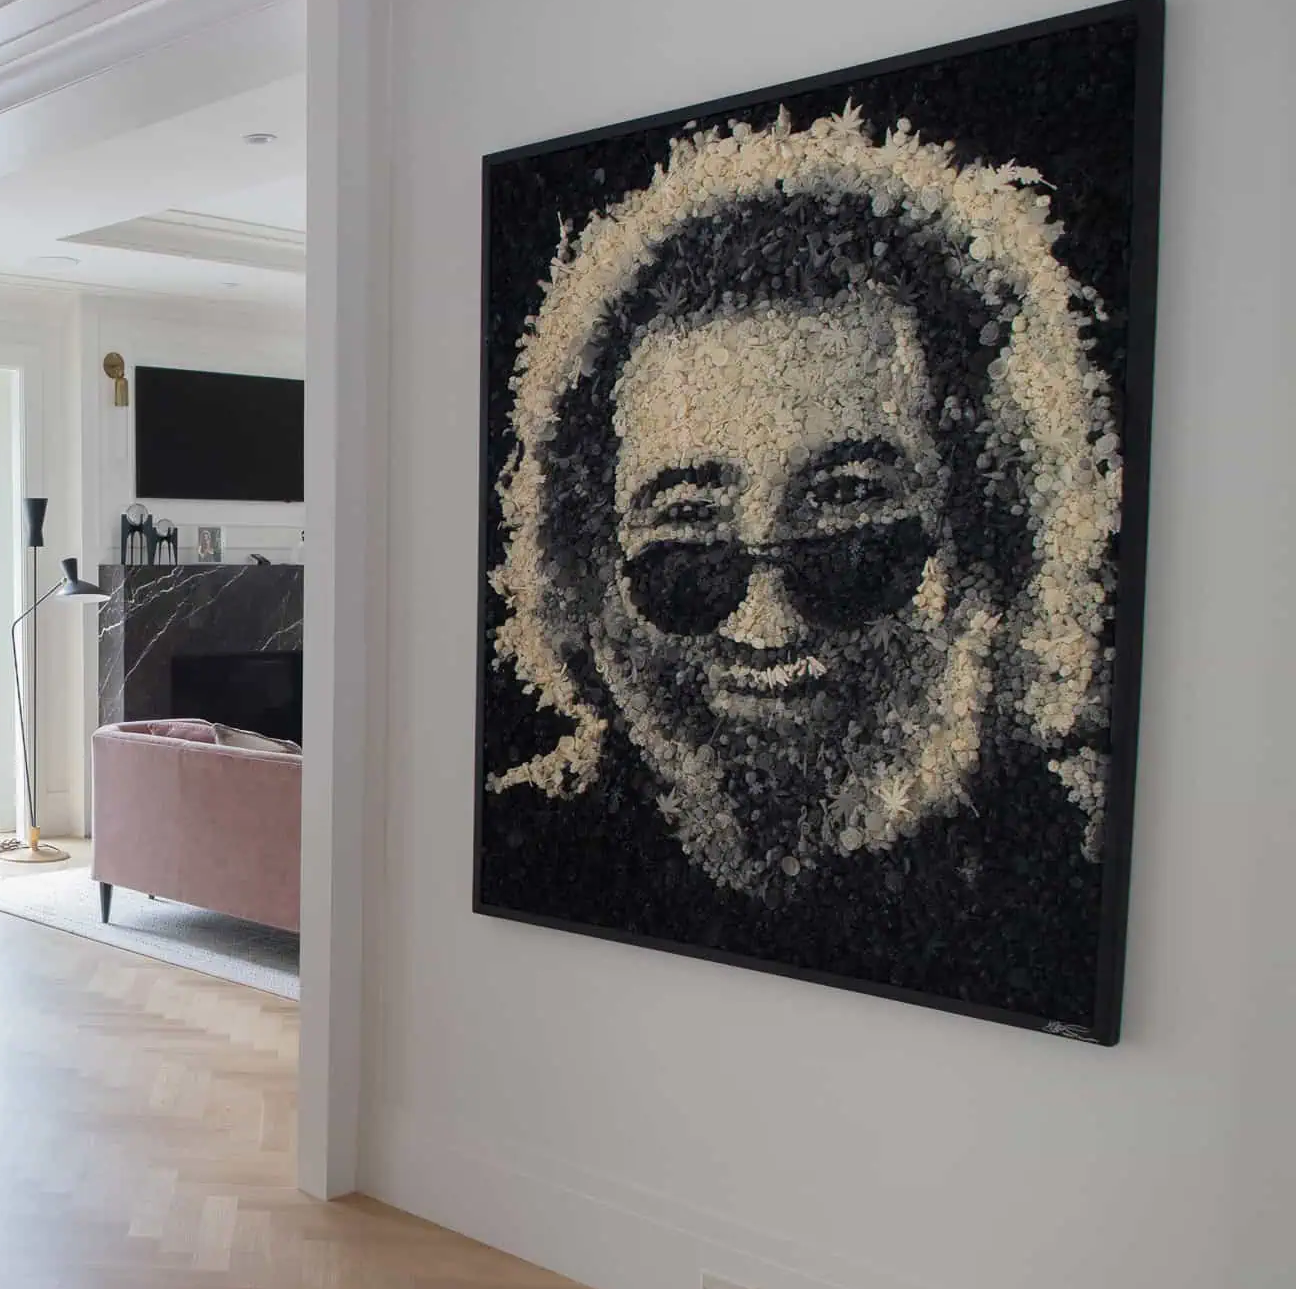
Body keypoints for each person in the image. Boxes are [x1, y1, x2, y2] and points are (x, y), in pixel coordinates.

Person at [481, 109, 1123, 1030]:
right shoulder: (536, 847)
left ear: (993, 544)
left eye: (853, 530)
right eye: (690, 539)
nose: (766, 626)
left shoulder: (1082, 868)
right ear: (591, 571)